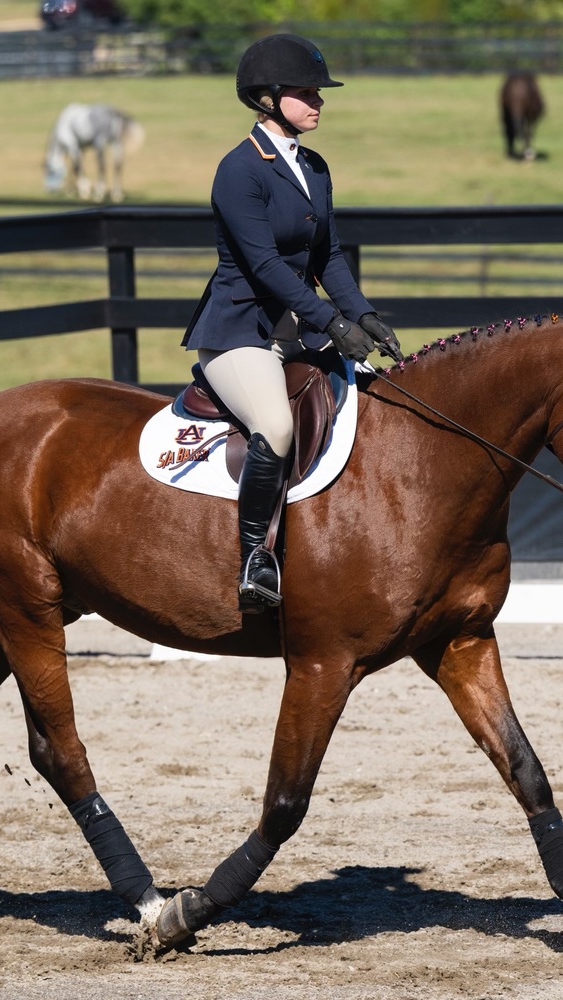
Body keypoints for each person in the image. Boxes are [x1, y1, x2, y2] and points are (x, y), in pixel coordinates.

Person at [182, 33, 403, 615]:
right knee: (277, 427)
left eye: (318, 93)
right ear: (267, 97)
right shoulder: (239, 171)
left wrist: (364, 315)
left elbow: (328, 256)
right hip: (239, 334)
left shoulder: (315, 166)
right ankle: (255, 558)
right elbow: (264, 265)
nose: (318, 102)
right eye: (307, 93)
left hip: (296, 330)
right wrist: (332, 322)